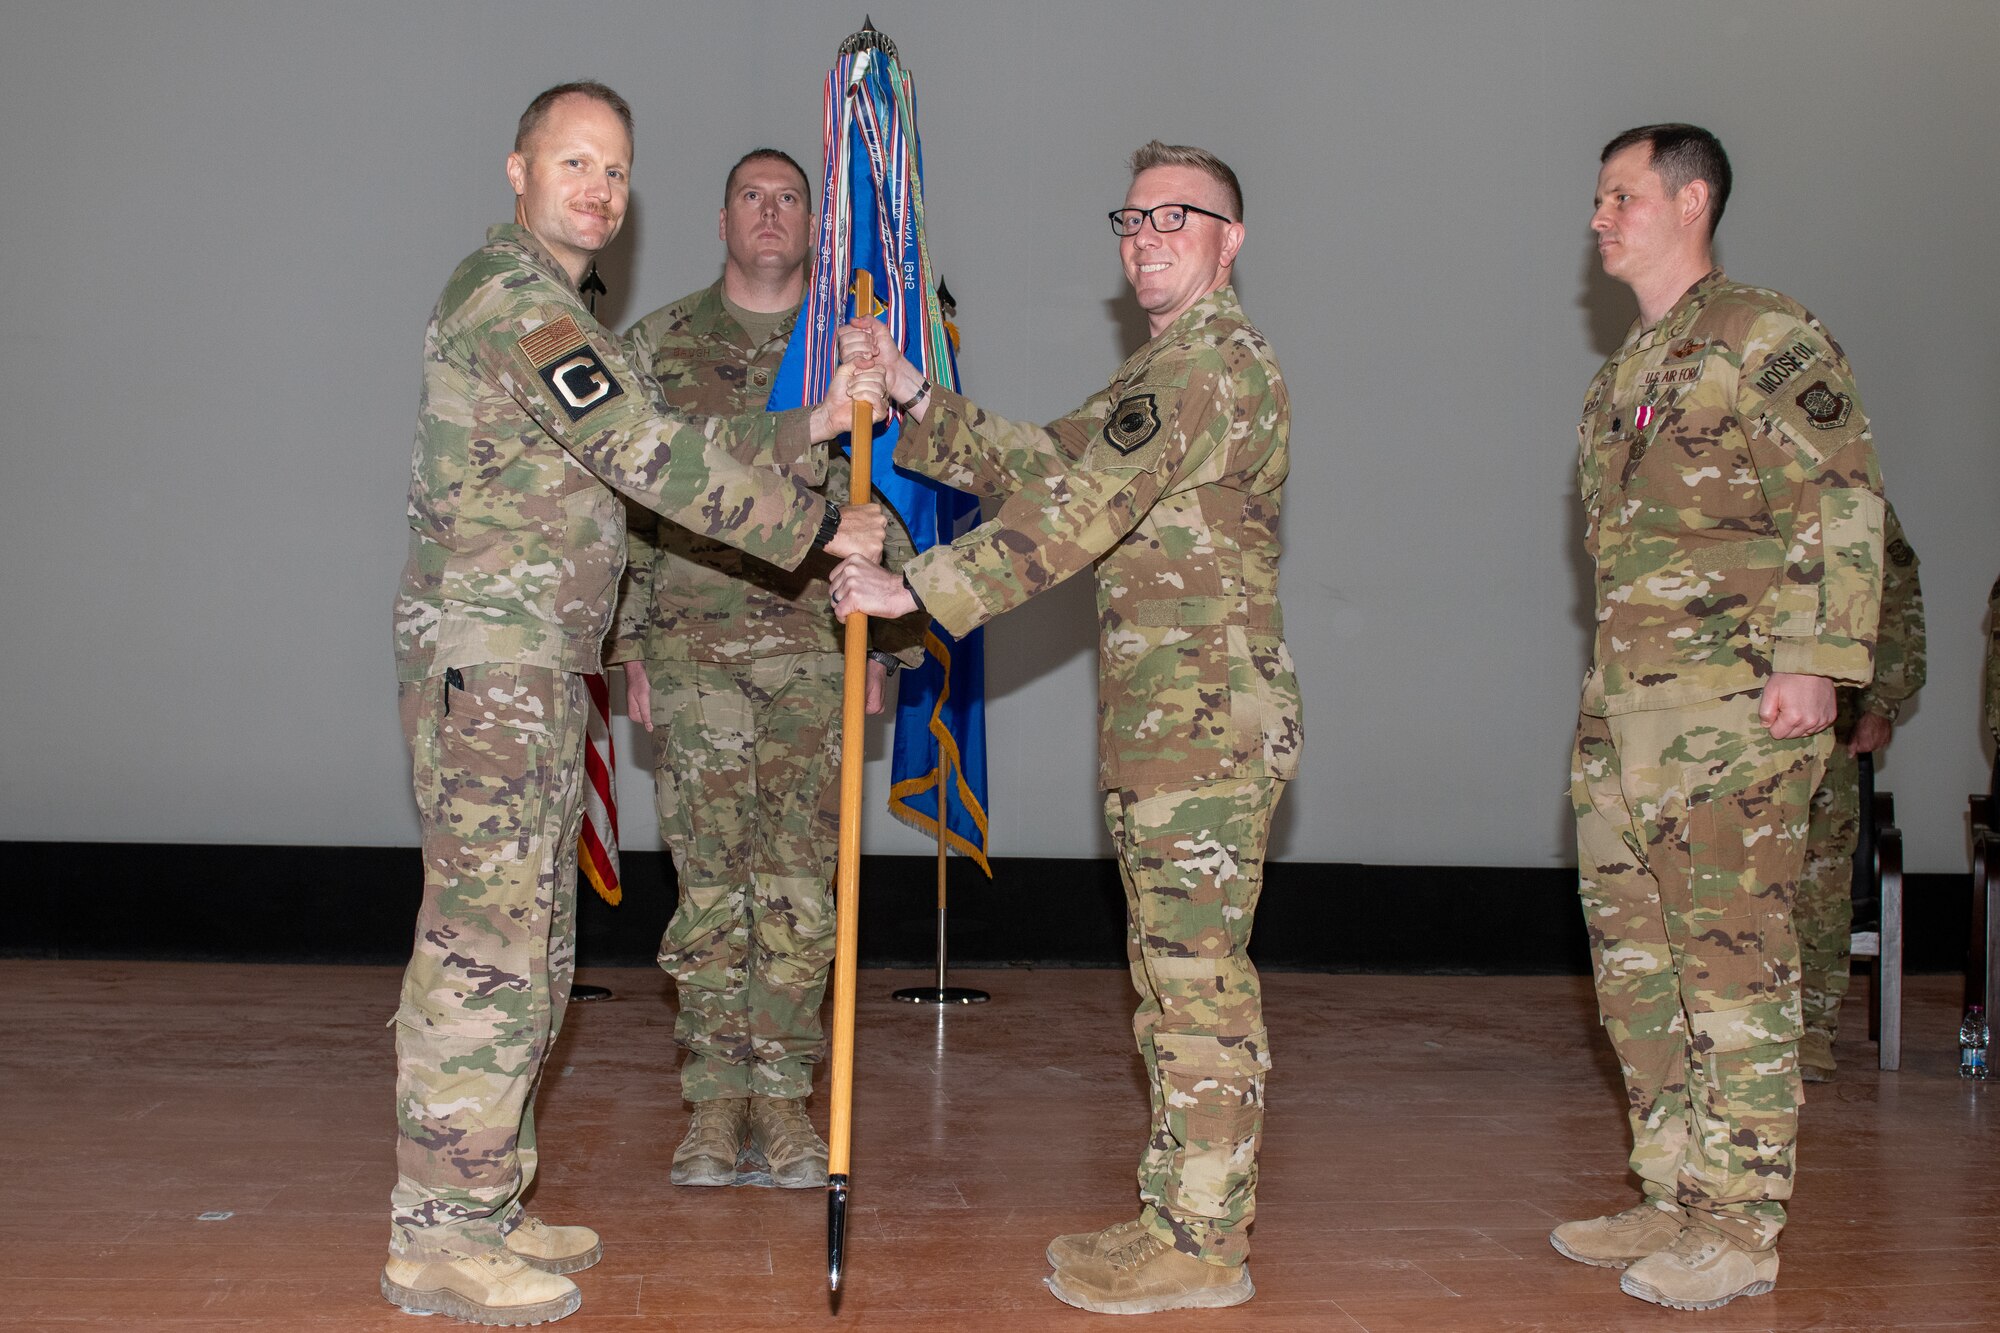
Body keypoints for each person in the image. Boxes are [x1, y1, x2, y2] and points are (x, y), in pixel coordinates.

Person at [385, 83, 887, 1325]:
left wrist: (815, 424)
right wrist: (825, 524)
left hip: (541, 666)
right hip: (493, 666)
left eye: (614, 169)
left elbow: (655, 436)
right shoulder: (509, 300)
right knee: (484, 954)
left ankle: (486, 1197)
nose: (597, 188)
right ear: (517, 171)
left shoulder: (567, 314)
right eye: (572, 162)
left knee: (538, 947)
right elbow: (651, 459)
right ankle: (438, 1233)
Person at [830, 140, 1298, 1316]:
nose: (1146, 237)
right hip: (1167, 721)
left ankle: (1202, 1242)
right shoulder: (1159, 374)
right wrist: (916, 400)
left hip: (1203, 725)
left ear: (1229, 239)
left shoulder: (1209, 365)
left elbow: (1076, 512)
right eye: (1131, 219)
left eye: (1176, 217)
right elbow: (1049, 463)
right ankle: (1177, 1215)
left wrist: (919, 592)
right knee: (1167, 976)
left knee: (1194, 983)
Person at [1556, 124, 1885, 1312]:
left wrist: (1814, 663)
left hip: (1732, 712)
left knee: (1731, 971)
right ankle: (1669, 1188)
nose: (1599, 216)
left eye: (1620, 195)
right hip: (1624, 712)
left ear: (1691, 201)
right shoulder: (1624, 370)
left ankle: (1739, 1225)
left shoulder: (1761, 334)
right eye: (1597, 197)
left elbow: (1837, 499)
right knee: (1636, 969)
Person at [604, 149, 925, 1190]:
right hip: (693, 644)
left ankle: (782, 1099)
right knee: (708, 881)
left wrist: (894, 644)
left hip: (811, 645)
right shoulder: (659, 344)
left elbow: (898, 497)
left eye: (791, 198)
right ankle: (711, 1102)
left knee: (795, 886)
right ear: (720, 218)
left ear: (813, 225)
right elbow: (634, 503)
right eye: (752, 196)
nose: (772, 213)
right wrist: (629, 647)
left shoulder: (852, 354)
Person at [1795, 502, 1924, 1082]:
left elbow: (1894, 591)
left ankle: (1812, 1033)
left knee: (1821, 881)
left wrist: (1882, 702)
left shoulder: (1844, 488)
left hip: (1827, 719)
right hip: (1724, 718)